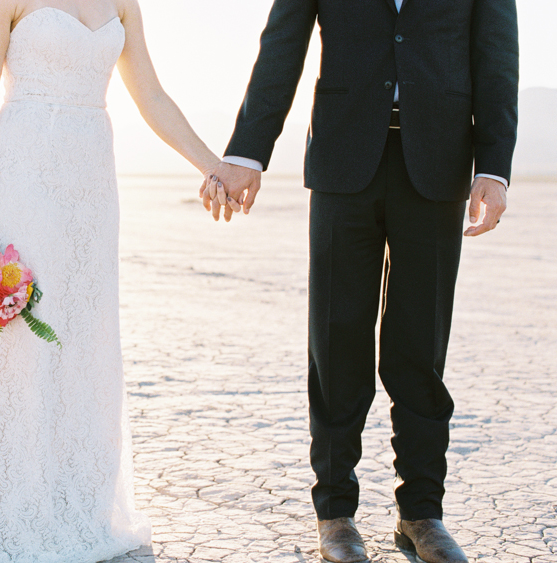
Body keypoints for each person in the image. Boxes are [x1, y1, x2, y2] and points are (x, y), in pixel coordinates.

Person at [203, 1, 518, 562]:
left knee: (420, 347)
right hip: (342, 161)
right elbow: (283, 43)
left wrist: (493, 167)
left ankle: (422, 512)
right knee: (336, 340)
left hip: (439, 164)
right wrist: (248, 151)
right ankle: (336, 514)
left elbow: (496, 55)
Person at [0, 1, 220, 561]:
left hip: (91, 182)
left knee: (86, 338)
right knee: (24, 344)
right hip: (24, 173)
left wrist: (211, 164)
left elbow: (151, 96)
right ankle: (4, 505)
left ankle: (79, 502)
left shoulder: (122, 3)